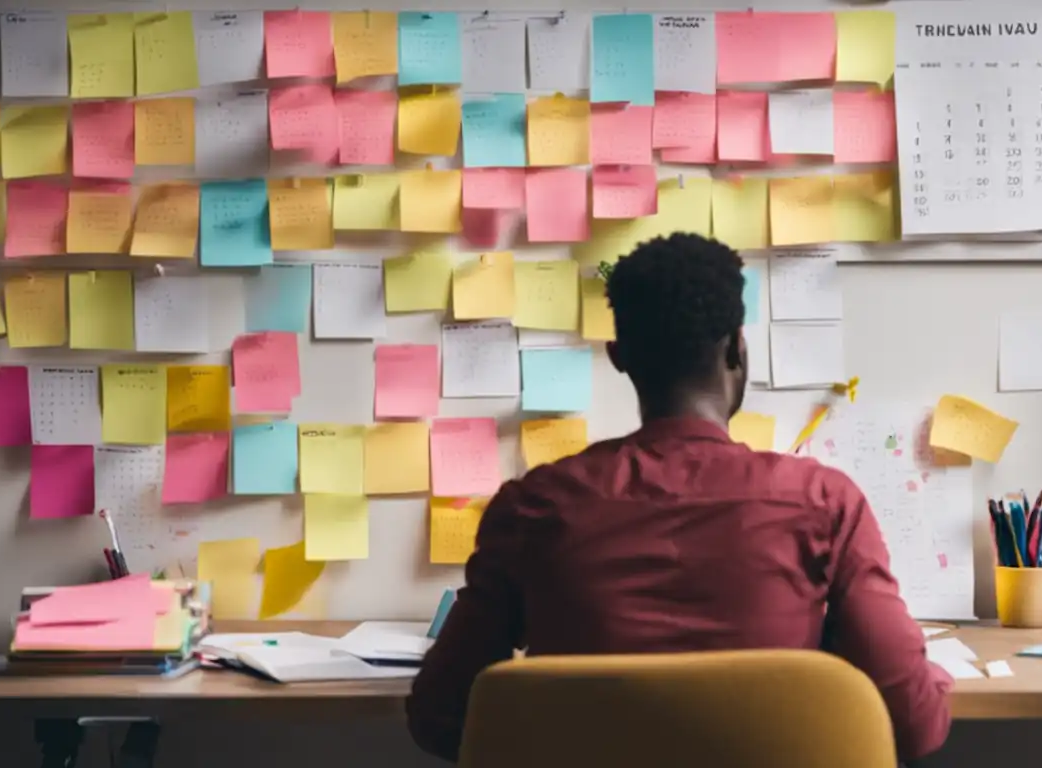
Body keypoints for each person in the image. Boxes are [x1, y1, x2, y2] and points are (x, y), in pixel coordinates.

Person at [407, 233, 953, 762]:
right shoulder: (822, 502)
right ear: (737, 352)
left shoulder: (533, 508)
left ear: (619, 356)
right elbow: (914, 725)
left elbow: (439, 718)